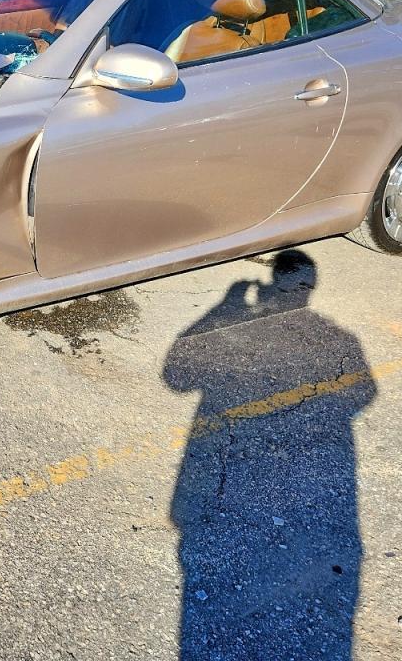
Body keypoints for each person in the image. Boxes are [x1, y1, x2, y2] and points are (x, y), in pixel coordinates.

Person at [164, 251, 375, 660]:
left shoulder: (247, 326)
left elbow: (175, 376)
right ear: (307, 289)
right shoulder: (340, 338)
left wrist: (223, 308)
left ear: (273, 282)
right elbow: (363, 392)